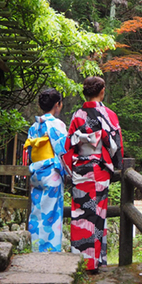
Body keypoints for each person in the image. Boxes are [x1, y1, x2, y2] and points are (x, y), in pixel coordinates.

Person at [66, 76, 123, 273]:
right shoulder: (108, 115)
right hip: (98, 170)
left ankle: (79, 261)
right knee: (98, 215)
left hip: (80, 170)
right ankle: (95, 261)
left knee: (80, 214)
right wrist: (117, 165)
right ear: (102, 91)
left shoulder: (76, 115)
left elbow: (69, 145)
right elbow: (115, 144)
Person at [23, 88, 69, 252]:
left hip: (36, 171)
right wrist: (70, 172)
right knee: (52, 214)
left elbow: (30, 152)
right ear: (57, 104)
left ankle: (34, 248)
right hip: (51, 173)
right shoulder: (57, 125)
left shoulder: (34, 126)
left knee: (37, 212)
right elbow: (64, 150)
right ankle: (49, 251)